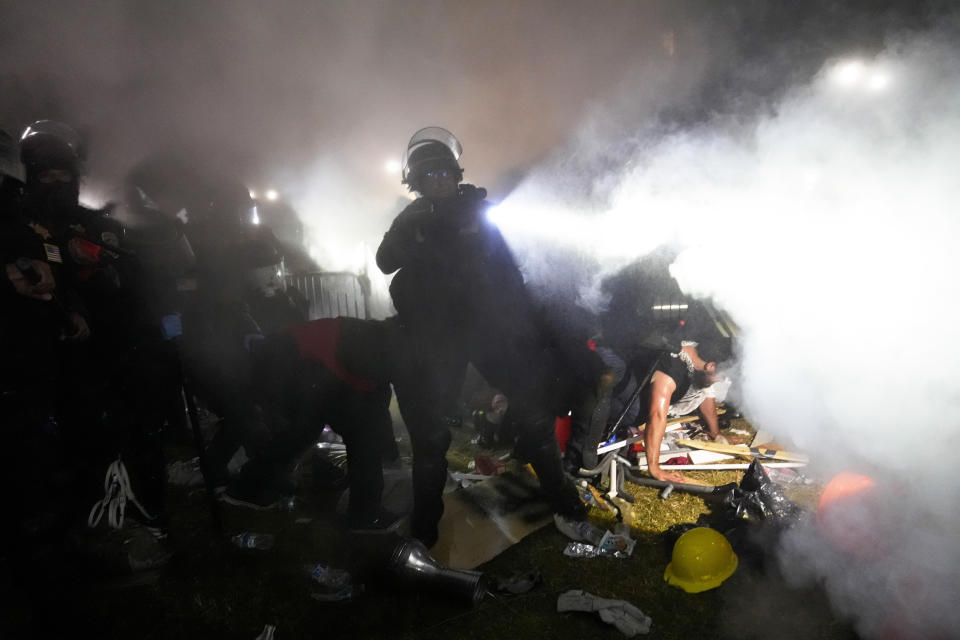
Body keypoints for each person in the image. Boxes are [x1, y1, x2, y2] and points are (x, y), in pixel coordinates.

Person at [377, 127, 588, 547]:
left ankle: (559, 493)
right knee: (432, 435)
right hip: (440, 337)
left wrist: (525, 323)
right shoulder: (412, 219)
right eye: (429, 176)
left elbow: (510, 270)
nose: (438, 182)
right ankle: (425, 524)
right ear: (416, 184)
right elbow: (385, 262)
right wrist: (407, 230)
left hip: (489, 330)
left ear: (455, 176)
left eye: (444, 174)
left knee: (533, 410)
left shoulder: (479, 211)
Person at [222, 316, 398, 529]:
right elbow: (364, 413)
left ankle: (250, 484)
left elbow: (376, 400)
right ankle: (365, 515)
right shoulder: (372, 347)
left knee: (314, 431)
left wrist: (388, 450)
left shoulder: (383, 345)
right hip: (289, 365)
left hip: (304, 366)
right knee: (325, 432)